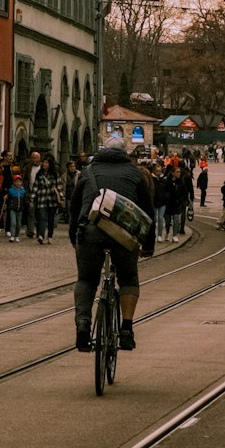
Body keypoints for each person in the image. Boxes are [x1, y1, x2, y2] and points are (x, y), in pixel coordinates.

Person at [69, 134, 155, 353]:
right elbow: (147, 212)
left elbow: (74, 206)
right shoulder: (135, 174)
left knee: (87, 279)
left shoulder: (88, 172)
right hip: (123, 234)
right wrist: (148, 244)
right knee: (128, 278)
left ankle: (83, 325)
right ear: (124, 152)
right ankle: (126, 329)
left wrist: (74, 235)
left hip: (90, 230)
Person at [31, 152, 62, 245]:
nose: (44, 164)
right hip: (42, 198)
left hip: (52, 199)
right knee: (42, 217)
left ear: (50, 164)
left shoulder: (55, 174)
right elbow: (35, 187)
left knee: (51, 219)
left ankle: (50, 236)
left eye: (46, 162)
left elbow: (59, 186)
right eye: (43, 162)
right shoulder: (39, 174)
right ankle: (40, 235)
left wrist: (61, 197)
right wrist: (32, 199)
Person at [5, 167, 26, 241]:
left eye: (19, 182)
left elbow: (25, 199)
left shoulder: (23, 191)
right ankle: (12, 235)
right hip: (12, 208)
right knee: (13, 222)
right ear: (14, 182)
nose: (18, 183)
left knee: (18, 224)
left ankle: (17, 235)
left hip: (20, 209)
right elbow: (7, 198)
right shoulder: (11, 190)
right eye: (16, 181)